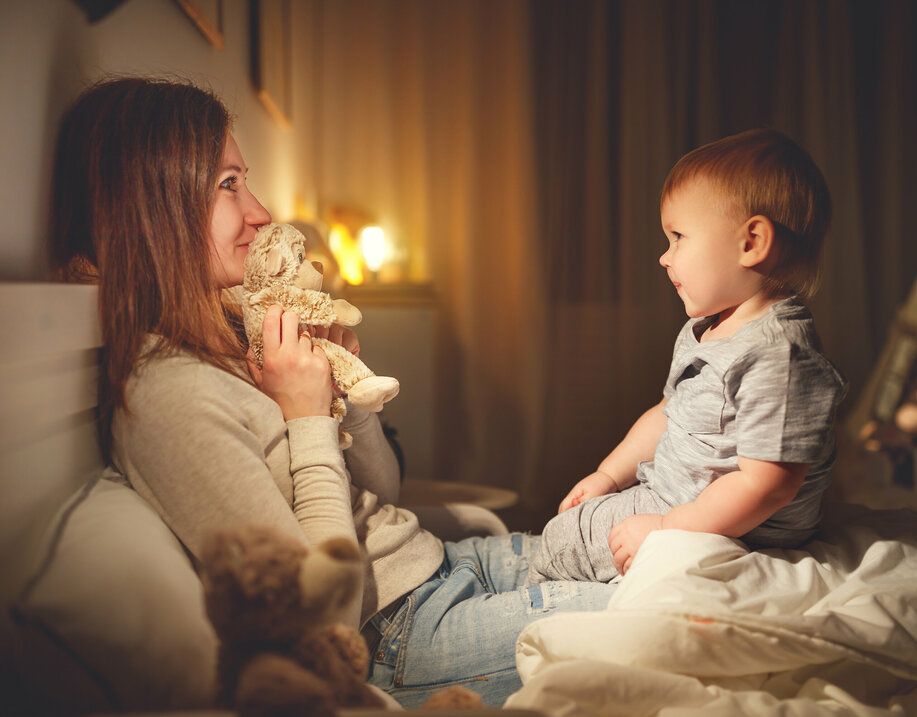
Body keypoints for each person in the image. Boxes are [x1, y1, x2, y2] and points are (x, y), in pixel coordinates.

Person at [50, 76, 615, 709]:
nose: (260, 212)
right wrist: (308, 417)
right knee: (674, 614)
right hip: (397, 635)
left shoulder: (223, 340)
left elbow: (384, 493)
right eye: (228, 184)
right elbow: (320, 619)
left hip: (438, 567)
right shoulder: (167, 396)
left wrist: (350, 396)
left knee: (676, 554)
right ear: (152, 206)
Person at [527, 129, 847, 584]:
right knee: (569, 532)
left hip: (731, 532)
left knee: (569, 542)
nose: (664, 257)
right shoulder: (708, 329)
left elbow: (766, 486)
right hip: (677, 501)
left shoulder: (780, 356)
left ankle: (524, 619)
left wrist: (666, 531)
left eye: (678, 237)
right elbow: (666, 413)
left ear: (751, 242)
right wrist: (608, 476)